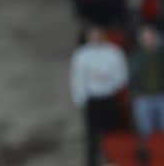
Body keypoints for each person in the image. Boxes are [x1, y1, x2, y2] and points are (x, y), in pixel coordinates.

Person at [70, 26, 128, 166]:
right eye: (92, 35)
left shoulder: (114, 52)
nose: (95, 38)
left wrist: (108, 79)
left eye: (98, 35)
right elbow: (77, 78)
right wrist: (80, 99)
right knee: (92, 136)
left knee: (113, 134)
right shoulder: (81, 55)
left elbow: (122, 75)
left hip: (110, 97)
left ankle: (114, 161)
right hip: (92, 99)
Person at [129, 25, 164, 136]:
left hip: (161, 95)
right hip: (143, 97)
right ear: (140, 40)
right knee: (146, 132)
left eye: (150, 37)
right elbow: (132, 78)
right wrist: (136, 94)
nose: (148, 40)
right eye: (145, 38)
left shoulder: (161, 55)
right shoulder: (135, 57)